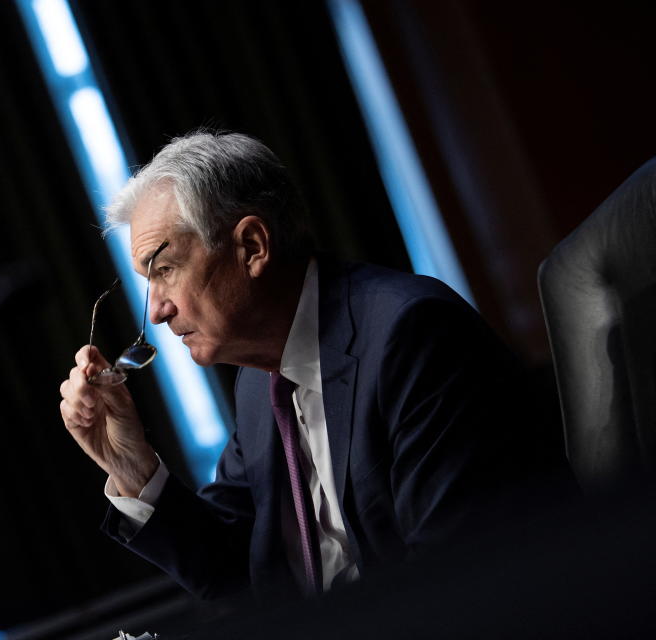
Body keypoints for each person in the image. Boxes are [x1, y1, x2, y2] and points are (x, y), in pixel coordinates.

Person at [58, 130, 572, 600]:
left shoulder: (411, 337)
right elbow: (239, 571)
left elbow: (461, 580)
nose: (156, 310)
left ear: (252, 247)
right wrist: (131, 466)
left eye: (165, 271)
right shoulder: (259, 387)